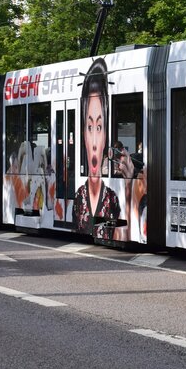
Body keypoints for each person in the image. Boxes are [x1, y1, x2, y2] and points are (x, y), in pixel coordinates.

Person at [73, 58, 122, 238]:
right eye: (89, 127)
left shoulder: (113, 199)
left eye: (99, 127)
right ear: (82, 133)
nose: (94, 142)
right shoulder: (78, 198)